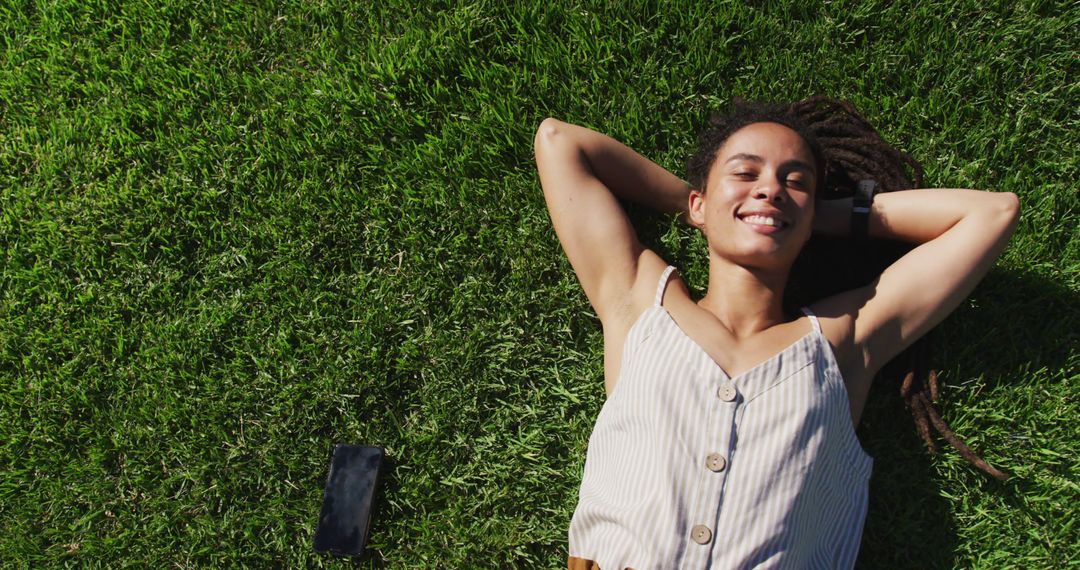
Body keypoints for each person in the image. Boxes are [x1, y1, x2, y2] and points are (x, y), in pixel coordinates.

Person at [532, 98, 1019, 569]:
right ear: (701, 201)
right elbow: (559, 141)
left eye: (796, 182)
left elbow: (991, 213)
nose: (771, 188)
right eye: (745, 174)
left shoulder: (843, 342)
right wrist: (700, 206)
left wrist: (810, 216)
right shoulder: (640, 302)